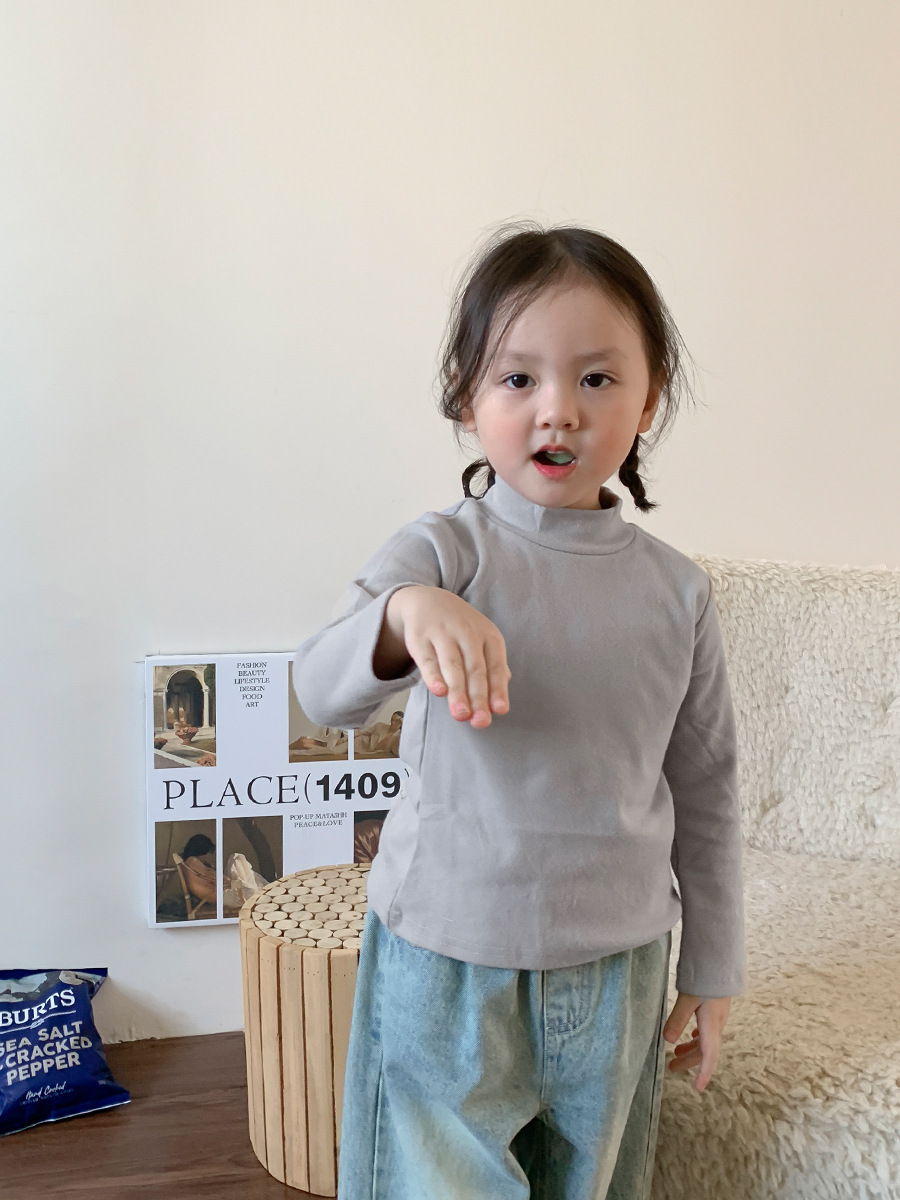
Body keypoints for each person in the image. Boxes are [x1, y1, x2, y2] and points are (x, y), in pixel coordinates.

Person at [292, 223, 746, 1200]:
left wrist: (712, 969)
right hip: (446, 960)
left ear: (650, 399)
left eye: (597, 378)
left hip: (619, 970)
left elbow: (707, 789)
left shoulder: (678, 593)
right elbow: (321, 687)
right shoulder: (442, 553)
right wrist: (403, 614)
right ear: (467, 396)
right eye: (517, 379)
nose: (558, 411)